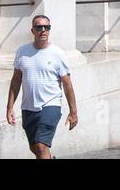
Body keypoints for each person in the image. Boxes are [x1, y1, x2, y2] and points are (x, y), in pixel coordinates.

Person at [6, 14, 78, 159]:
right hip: (28, 107)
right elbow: (16, 81)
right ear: (32, 30)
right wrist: (9, 107)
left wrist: (73, 112)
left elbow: (67, 84)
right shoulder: (22, 52)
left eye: (47, 27)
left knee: (40, 145)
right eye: (39, 27)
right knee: (36, 149)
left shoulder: (58, 54)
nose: (43, 30)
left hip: (50, 105)